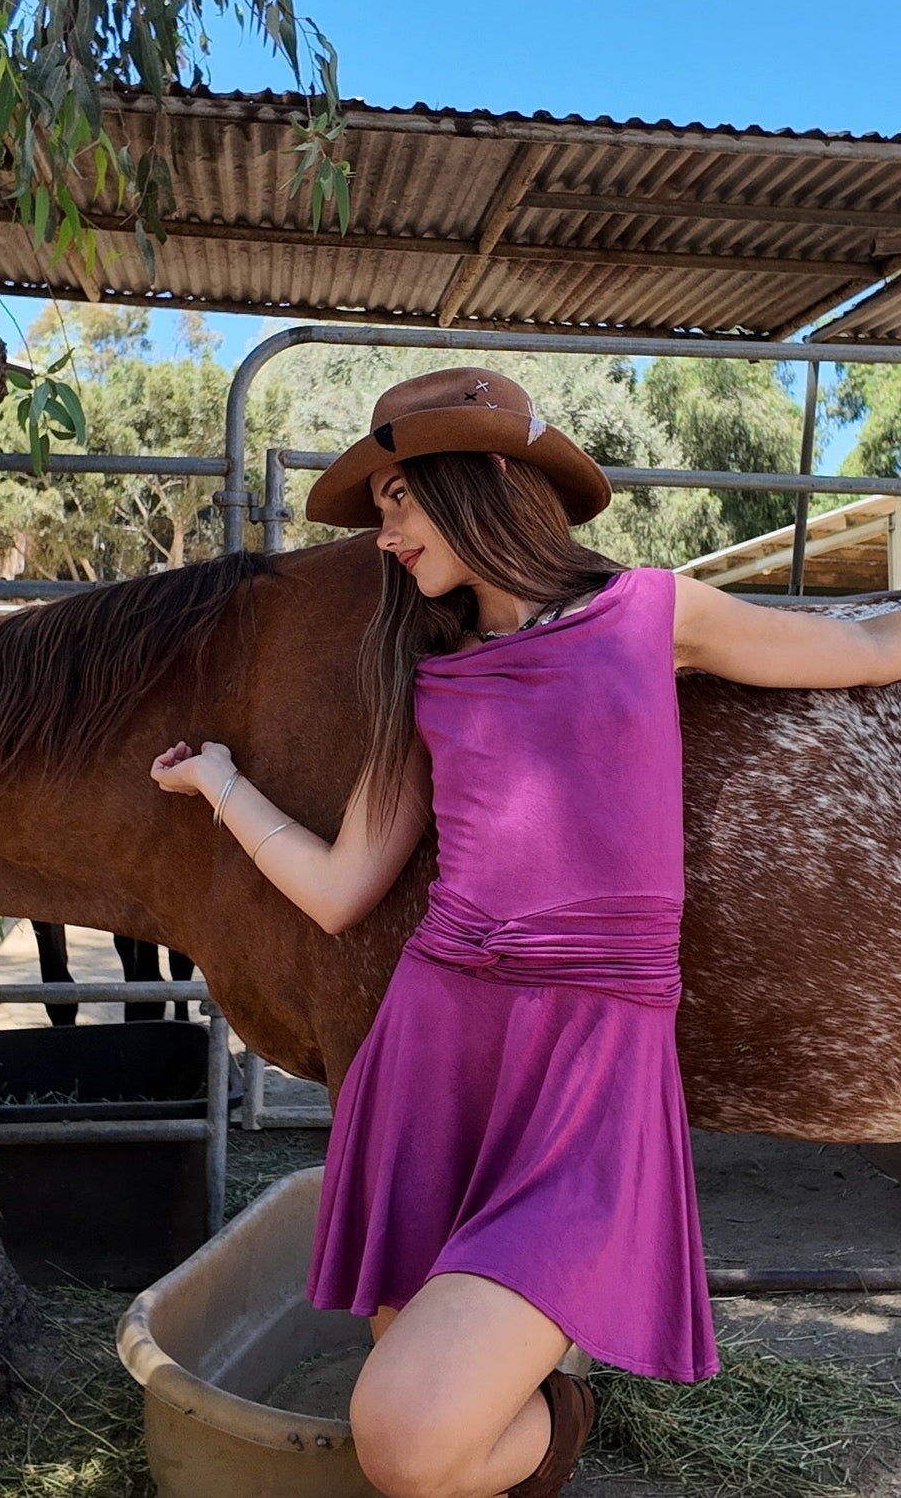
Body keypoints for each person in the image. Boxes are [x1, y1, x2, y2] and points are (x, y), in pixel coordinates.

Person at [150, 366, 901, 1498]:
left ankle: (558, 1420)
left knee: (405, 1439)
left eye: (401, 498)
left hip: (589, 1063)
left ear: (489, 479)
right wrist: (221, 786)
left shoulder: (654, 610)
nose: (383, 533)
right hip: (431, 1056)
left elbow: (859, 650)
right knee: (418, 1409)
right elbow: (346, 883)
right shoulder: (425, 679)